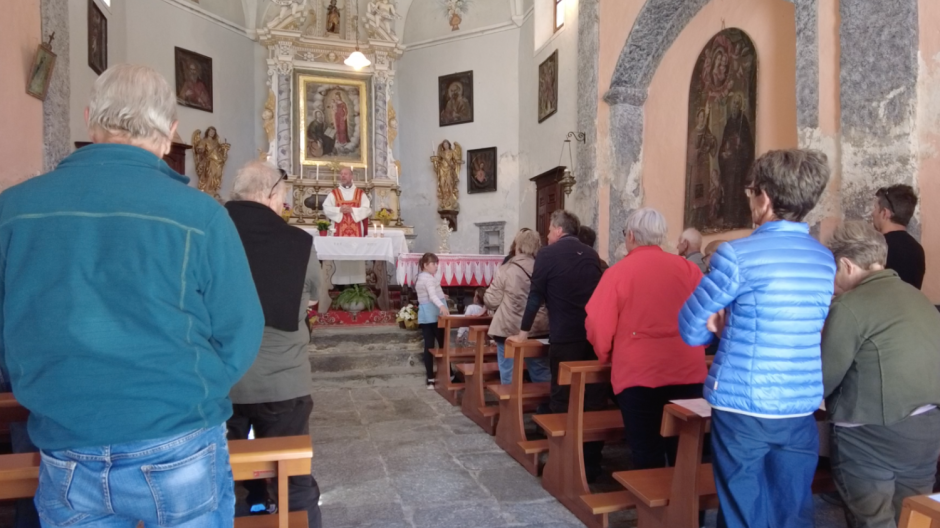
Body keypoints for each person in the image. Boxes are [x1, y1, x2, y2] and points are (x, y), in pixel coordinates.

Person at [0, 64, 263, 527]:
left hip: (65, 438)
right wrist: (193, 390)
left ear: (88, 118)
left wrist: (42, 382)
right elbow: (241, 328)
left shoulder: (14, 209)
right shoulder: (200, 215)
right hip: (177, 435)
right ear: (171, 132)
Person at [679, 149, 836, 528]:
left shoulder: (737, 255)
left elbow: (689, 326)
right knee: (792, 509)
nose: (749, 199)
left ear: (764, 198)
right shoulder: (824, 259)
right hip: (799, 405)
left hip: (743, 404)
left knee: (742, 510)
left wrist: (714, 328)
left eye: (750, 192)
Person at [821, 220, 940, 528]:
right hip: (926, 432)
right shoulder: (919, 299)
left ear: (846, 265)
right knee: (914, 519)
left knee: (873, 521)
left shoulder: (850, 305)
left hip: (868, 436)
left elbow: (824, 377)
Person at [224, 161, 322, 528]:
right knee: (293, 480)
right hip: (283, 382)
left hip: (222, 381)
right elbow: (317, 298)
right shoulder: (297, 242)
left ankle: (243, 510)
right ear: (269, 194)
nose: (285, 206)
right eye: (283, 197)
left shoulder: (208, 232)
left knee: (225, 479)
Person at [587, 208, 707, 470]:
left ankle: (653, 508)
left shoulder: (618, 273)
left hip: (639, 374)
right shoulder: (688, 269)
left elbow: (598, 324)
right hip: (688, 370)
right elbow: (709, 316)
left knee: (646, 450)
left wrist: (606, 354)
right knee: (686, 453)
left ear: (630, 235)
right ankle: (688, 511)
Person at [510, 210, 606, 480]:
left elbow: (534, 297)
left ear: (558, 229)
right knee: (594, 399)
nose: (548, 235)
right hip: (592, 337)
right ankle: (591, 463)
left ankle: (563, 460)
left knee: (562, 397)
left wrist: (522, 333)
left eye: (549, 230)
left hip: (564, 337)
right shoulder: (591, 255)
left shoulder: (547, 255)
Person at [485, 229, 550, 385]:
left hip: (508, 327)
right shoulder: (544, 268)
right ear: (536, 247)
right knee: (540, 371)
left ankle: (510, 407)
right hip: (537, 328)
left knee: (508, 372)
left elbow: (491, 300)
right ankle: (546, 404)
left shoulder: (506, 269)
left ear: (517, 246)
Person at [871, 184, 925, 289]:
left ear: (885, 213)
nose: (872, 213)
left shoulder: (877, 248)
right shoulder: (918, 250)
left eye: (875, 208)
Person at [416, 253, 447, 389]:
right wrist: (441, 305)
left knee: (428, 347)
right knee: (443, 346)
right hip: (435, 315)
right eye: (433, 264)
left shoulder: (420, 277)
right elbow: (432, 295)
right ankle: (449, 375)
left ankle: (430, 379)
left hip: (425, 315)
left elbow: (426, 295)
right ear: (425, 265)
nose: (436, 266)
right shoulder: (428, 278)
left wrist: (442, 295)